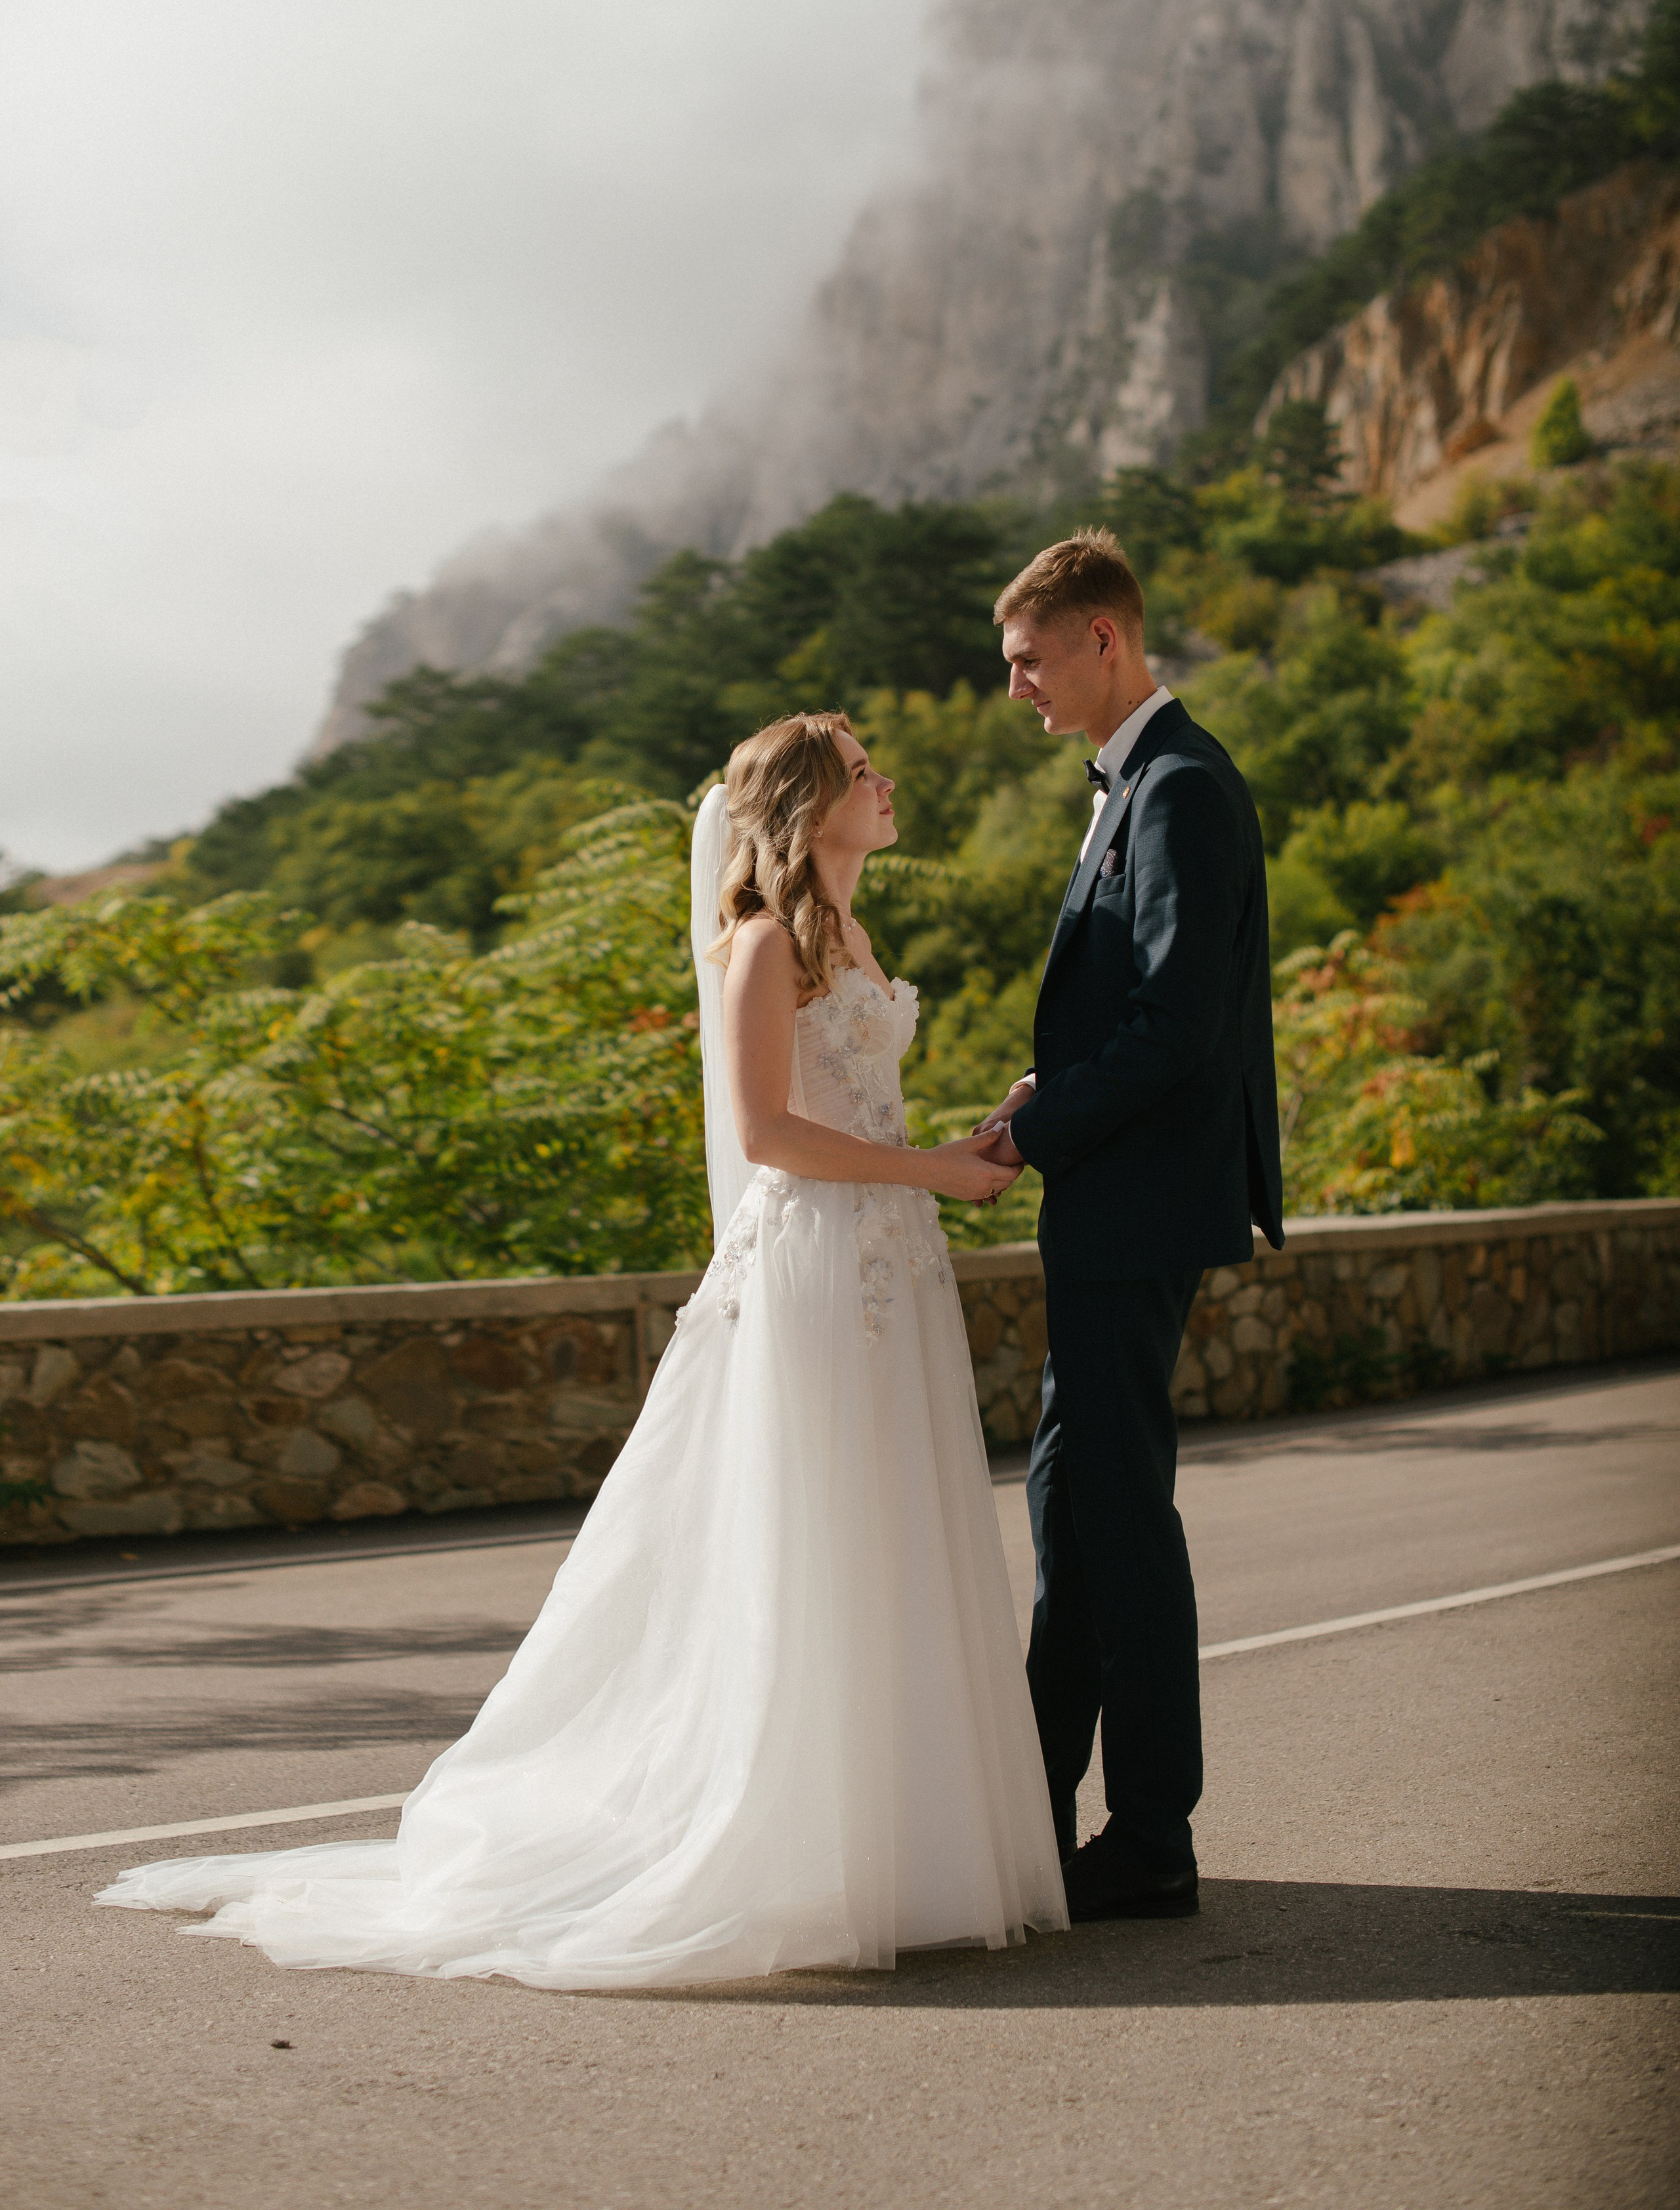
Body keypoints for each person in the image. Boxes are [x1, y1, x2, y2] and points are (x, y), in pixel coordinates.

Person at [97, 713, 1068, 1988]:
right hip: (818, 1273)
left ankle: (904, 1848)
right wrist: (933, 1174)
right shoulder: (763, 944)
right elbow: (769, 1133)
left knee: (892, 1534)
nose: (886, 782)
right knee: (819, 1540)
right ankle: (794, 1849)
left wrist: (963, 1144)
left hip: (888, 1260)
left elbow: (854, 1113)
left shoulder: (853, 936)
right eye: (860, 767)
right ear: (806, 805)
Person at [975, 533, 1283, 1924]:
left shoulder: (1177, 789)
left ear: (1103, 638)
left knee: (1114, 1519)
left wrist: (1037, 1130)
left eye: (1028, 660)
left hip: (1133, 1209)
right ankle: (1033, 1811)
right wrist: (1055, 1083)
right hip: (1112, 1201)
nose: (1017, 688)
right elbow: (1137, 1018)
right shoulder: (1136, 787)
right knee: (1073, 1511)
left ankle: (1151, 1834)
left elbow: (1175, 1029)